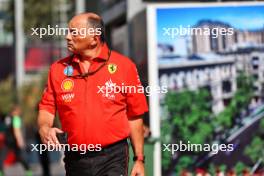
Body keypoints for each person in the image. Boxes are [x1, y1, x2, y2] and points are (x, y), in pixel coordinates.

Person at [38, 12, 148, 176]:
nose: (67, 37)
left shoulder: (125, 67)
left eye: (74, 32)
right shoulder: (57, 70)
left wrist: (139, 159)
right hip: (75, 158)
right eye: (68, 31)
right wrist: (45, 128)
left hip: (113, 157)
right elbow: (46, 108)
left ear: (94, 39)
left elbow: (134, 116)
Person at [5, 105, 32, 176]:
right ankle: (28, 172)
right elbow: (16, 131)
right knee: (22, 157)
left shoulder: (7, 118)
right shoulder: (16, 118)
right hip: (14, 142)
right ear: (16, 111)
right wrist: (20, 141)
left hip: (8, 141)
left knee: (2, 157)